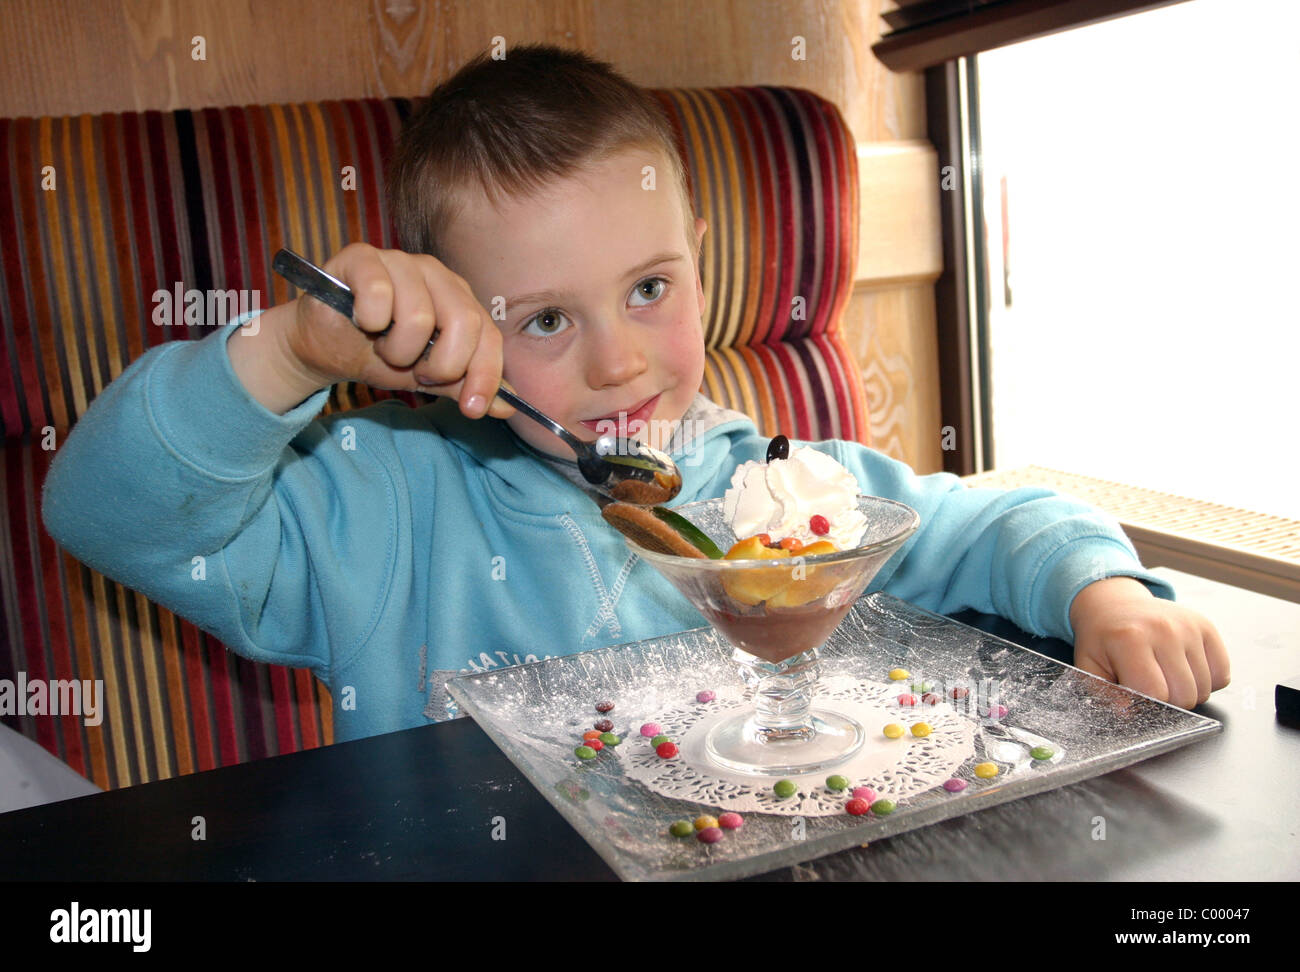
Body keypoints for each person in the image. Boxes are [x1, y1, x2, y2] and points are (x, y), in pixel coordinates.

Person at [40, 43, 1228, 743]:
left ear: (703, 255)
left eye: (651, 287)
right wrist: (293, 354)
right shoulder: (377, 514)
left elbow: (987, 521)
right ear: (447, 335)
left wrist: (1104, 593)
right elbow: (107, 515)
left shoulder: (776, 493)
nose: (618, 365)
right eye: (547, 319)